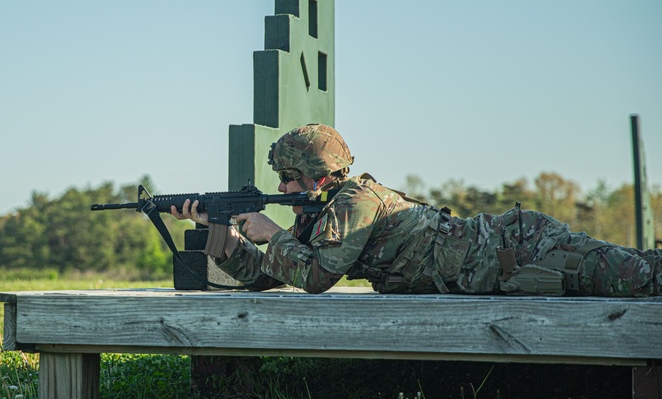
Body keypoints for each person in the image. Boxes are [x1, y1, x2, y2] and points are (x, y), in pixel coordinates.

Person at [172, 123, 662, 296]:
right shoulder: (317, 213)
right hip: (503, 269)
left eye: (287, 176)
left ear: (317, 176)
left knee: (642, 278)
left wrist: (269, 231)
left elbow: (317, 277)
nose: (280, 186)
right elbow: (265, 276)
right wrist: (220, 234)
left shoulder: (355, 202)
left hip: (523, 249)